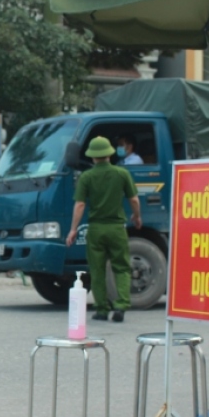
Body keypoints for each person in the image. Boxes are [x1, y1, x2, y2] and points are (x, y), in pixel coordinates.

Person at [66, 136, 142, 322]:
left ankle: (101, 309)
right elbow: (133, 199)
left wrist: (73, 229)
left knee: (97, 269)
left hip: (96, 229)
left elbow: (80, 205)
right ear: (110, 154)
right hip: (116, 228)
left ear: (92, 157)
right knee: (122, 267)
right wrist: (136, 216)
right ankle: (121, 306)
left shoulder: (87, 176)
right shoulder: (121, 173)